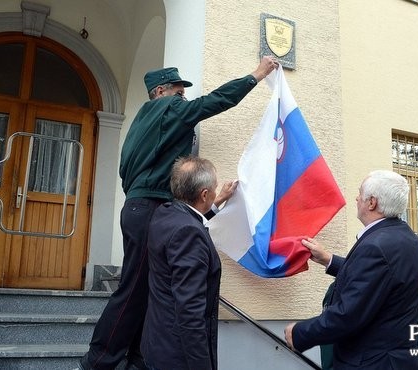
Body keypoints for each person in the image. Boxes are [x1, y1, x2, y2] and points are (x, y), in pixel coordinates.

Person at [80, 56, 279, 370]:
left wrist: (210, 207)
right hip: (149, 209)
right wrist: (256, 75)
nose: (183, 99)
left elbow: (126, 172)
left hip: (139, 207)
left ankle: (136, 359)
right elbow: (212, 102)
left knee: (146, 288)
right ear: (160, 91)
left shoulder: (139, 125)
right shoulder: (167, 108)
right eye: (178, 91)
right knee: (133, 290)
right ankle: (98, 361)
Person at [284, 169, 418, 369]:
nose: (356, 198)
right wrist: (329, 260)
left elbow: (348, 314)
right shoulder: (405, 237)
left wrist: (300, 333)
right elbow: (380, 279)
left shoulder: (376, 246)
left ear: (372, 202)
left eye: (360, 193)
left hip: (372, 362)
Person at [141, 156, 222, 370]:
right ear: (204, 194)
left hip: (157, 343)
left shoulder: (164, 214)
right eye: (214, 188)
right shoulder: (188, 233)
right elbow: (189, 310)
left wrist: (218, 202)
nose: (216, 191)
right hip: (177, 356)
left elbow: (192, 219)